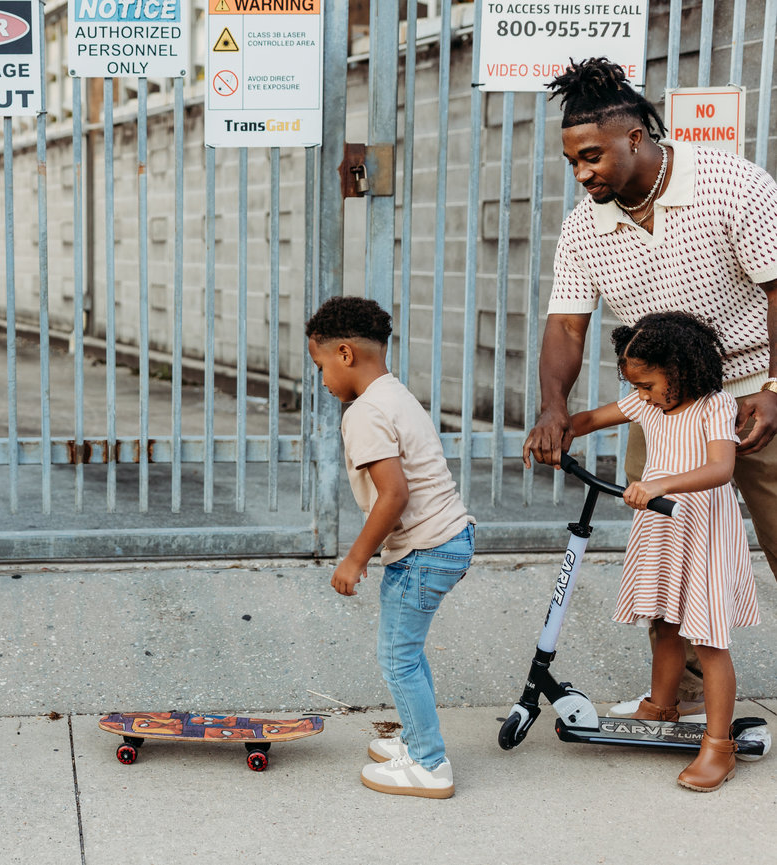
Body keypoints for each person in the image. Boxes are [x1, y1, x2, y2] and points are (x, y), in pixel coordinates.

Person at [524, 56, 777, 715]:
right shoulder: (585, 224)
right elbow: (567, 325)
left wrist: (775, 386)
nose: (581, 173)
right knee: (671, 548)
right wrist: (555, 408)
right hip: (667, 405)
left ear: (635, 138)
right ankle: (684, 689)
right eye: (571, 160)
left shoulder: (731, 184)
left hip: (756, 384)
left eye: (591, 157)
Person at [542, 312, 759, 790]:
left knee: (707, 637)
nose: (640, 394)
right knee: (664, 622)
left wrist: (662, 483)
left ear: (680, 371)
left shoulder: (714, 407)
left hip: (703, 529)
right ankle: (662, 706)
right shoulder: (648, 406)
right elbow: (588, 419)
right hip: (663, 529)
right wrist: (555, 432)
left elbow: (720, 469)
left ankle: (718, 746)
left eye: (647, 383)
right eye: (635, 385)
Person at [305, 296, 475, 799]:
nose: (323, 380)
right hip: (448, 538)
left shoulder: (364, 413)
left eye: (320, 367)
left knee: (396, 659)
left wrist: (356, 557)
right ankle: (420, 739)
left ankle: (429, 766)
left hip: (425, 549)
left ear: (344, 353)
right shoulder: (395, 394)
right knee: (407, 651)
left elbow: (395, 495)